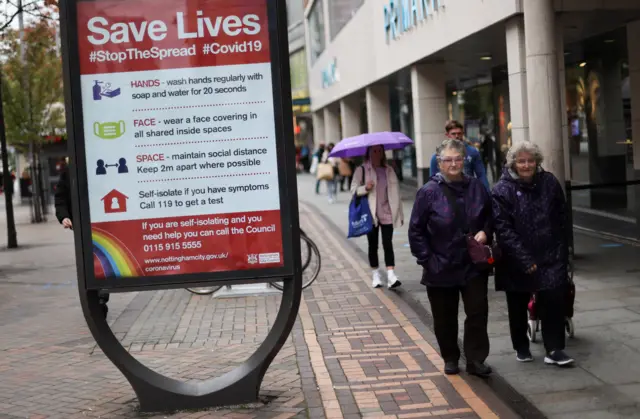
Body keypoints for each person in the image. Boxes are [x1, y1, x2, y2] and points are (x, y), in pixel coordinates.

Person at [409, 139, 492, 377]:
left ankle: (476, 359)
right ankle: (450, 357)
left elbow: (490, 216)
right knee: (445, 317)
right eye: (448, 159)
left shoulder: (477, 187)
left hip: (473, 264)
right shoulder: (428, 192)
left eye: (458, 158)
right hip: (440, 265)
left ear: (465, 160)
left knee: (477, 311)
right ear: (439, 163)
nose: (454, 163)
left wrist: (486, 231)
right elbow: (416, 231)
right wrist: (428, 260)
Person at [492, 141, 574, 366]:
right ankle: (521, 346)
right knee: (518, 304)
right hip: (516, 259)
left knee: (554, 301)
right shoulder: (502, 190)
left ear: (537, 162)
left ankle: (555, 349)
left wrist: (562, 250)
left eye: (530, 160)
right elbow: (503, 230)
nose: (526, 165)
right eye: (521, 161)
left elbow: (562, 217)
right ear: (513, 163)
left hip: (550, 255)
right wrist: (524, 259)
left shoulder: (549, 182)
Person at [54, 165, 110, 318]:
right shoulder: (68, 172)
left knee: (102, 257)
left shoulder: (100, 164)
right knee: (87, 260)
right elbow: (60, 198)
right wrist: (64, 216)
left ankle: (101, 295)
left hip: (102, 223)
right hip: (81, 225)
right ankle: (96, 295)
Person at [352, 145, 403, 289]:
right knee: (372, 244)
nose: (377, 153)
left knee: (388, 243)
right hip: (370, 214)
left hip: (387, 212)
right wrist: (365, 188)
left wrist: (399, 214)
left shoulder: (389, 170)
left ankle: (391, 275)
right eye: (374, 150)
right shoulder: (361, 170)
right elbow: (353, 190)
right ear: (368, 153)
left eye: (379, 150)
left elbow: (396, 194)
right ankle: (376, 274)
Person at [429, 120, 490, 190]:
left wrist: (486, 194)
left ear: (463, 133)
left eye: (459, 133)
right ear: (447, 135)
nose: (457, 136)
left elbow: (481, 175)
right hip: (446, 193)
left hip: (468, 192)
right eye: (453, 134)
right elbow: (432, 180)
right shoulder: (437, 156)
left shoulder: (473, 152)